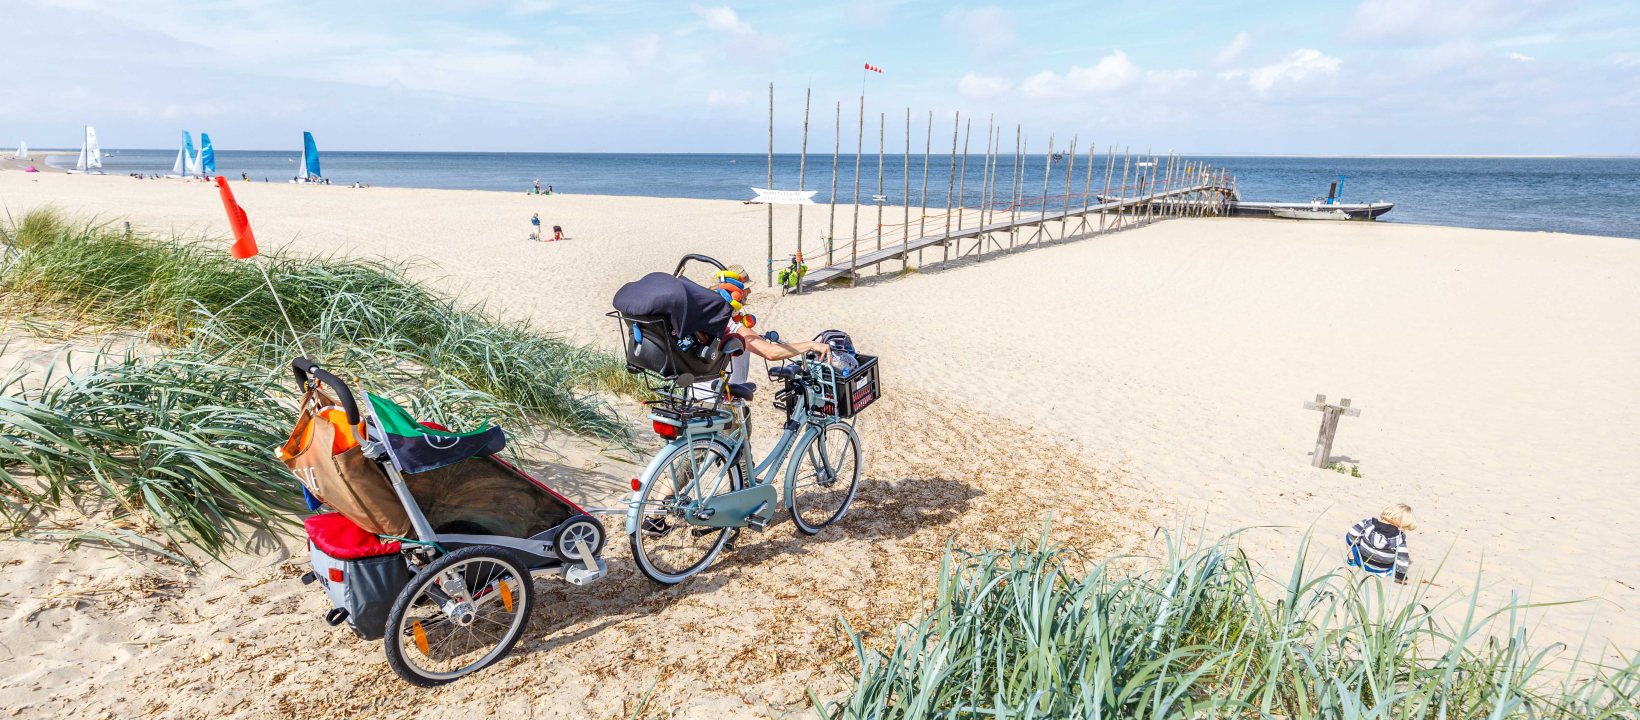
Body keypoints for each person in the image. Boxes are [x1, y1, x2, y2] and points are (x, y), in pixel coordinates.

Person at [1345, 503, 1417, 584]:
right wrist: (1401, 577)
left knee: (1348, 537)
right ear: (1398, 521)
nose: (1403, 529)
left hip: (1362, 562)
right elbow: (1402, 560)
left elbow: (1352, 533)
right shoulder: (1399, 537)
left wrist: (1359, 543)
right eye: (1403, 526)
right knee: (1402, 555)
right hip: (1382, 569)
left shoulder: (1368, 522)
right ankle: (1388, 571)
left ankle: (1352, 561)